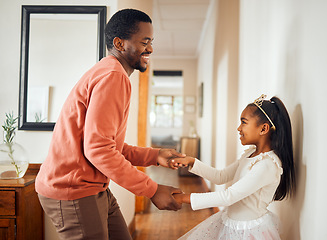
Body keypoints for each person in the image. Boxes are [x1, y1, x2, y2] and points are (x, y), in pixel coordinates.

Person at [35, 9, 184, 240]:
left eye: (151, 42)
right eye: (145, 42)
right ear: (119, 43)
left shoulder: (111, 72)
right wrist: (152, 190)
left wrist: (154, 155)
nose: (151, 49)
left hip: (93, 187)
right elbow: (99, 150)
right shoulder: (112, 76)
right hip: (73, 191)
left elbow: (106, 146)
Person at [171, 94, 295, 240]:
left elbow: (228, 197)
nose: (238, 128)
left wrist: (183, 198)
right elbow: (220, 176)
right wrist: (193, 162)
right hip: (231, 225)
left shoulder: (267, 165)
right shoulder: (250, 155)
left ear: (263, 128)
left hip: (249, 232)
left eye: (244, 122)